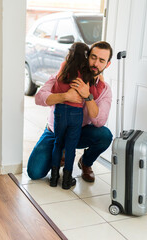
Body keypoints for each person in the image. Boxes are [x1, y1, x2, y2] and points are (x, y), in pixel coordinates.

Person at [27, 41, 113, 184]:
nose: (95, 63)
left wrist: (88, 96)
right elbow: (39, 98)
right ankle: (61, 153)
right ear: (87, 57)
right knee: (34, 172)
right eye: (93, 57)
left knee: (104, 135)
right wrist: (65, 96)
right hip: (54, 131)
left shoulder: (104, 89)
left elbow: (99, 121)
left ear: (107, 65)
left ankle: (85, 162)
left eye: (101, 60)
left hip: (80, 131)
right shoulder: (65, 74)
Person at [50, 42, 94, 189]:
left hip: (60, 110)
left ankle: (54, 178)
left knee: (58, 143)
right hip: (76, 113)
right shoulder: (87, 73)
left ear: (71, 53)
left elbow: (56, 88)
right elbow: (88, 92)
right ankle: (67, 180)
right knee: (70, 147)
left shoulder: (65, 66)